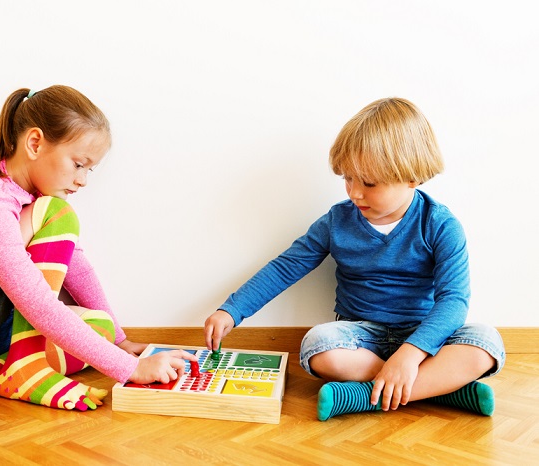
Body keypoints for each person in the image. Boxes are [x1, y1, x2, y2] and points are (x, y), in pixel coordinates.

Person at [0, 85, 196, 423]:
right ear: (35, 143)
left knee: (94, 327)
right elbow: (35, 302)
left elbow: (76, 268)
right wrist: (131, 369)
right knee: (57, 218)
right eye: (79, 164)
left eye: (90, 170)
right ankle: (24, 373)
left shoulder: (29, 200)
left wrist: (120, 340)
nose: (83, 180)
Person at [204, 97, 505, 421]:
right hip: (360, 337)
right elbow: (287, 266)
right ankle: (445, 389)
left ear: (412, 177)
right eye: (348, 178)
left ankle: (364, 397)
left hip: (425, 337)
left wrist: (410, 353)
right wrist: (232, 309)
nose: (354, 192)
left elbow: (454, 302)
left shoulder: (440, 225)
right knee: (317, 346)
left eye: (369, 183)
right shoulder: (337, 222)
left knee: (486, 342)